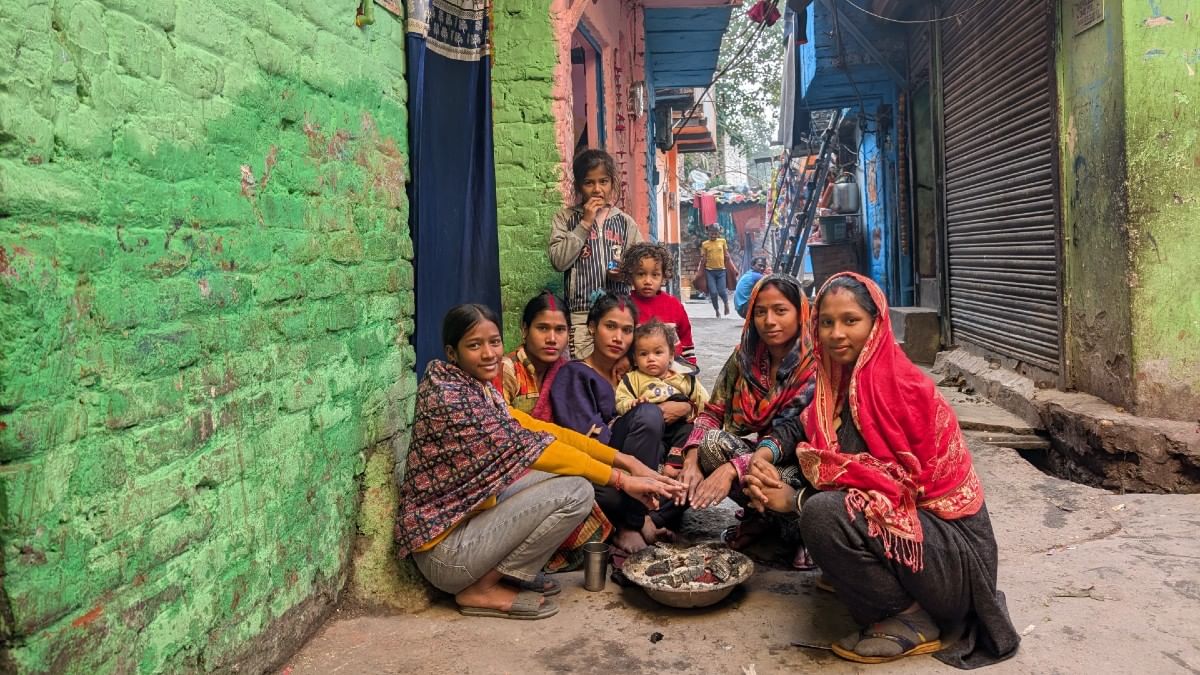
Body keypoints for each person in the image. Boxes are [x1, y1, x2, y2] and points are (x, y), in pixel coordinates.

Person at [744, 273, 1020, 666]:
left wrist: (795, 501)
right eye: (826, 322)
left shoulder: (902, 389)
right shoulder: (837, 383)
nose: (836, 334)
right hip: (926, 548)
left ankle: (912, 618)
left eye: (850, 321)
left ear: (876, 324)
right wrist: (764, 454)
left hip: (956, 563)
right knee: (808, 474)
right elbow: (799, 426)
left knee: (821, 513)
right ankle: (874, 580)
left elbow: (892, 491)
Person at [395, 304, 682, 620]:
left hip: (470, 529)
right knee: (577, 492)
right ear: (453, 352)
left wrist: (626, 461)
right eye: (475, 345)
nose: (489, 354)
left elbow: (543, 431)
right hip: (447, 556)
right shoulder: (455, 400)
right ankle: (481, 589)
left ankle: (506, 574)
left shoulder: (473, 388)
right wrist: (621, 479)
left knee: (570, 482)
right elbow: (540, 449)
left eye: (494, 342)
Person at [679, 274, 817, 568]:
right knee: (711, 444)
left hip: (800, 461)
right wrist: (690, 459)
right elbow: (713, 411)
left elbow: (797, 436)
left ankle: (802, 532)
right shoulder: (744, 358)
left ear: (800, 313)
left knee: (781, 477)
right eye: (760, 312)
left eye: (780, 310)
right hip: (762, 456)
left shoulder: (814, 365)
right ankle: (762, 520)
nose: (769, 321)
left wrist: (733, 468)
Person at [550, 293, 691, 554]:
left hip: (647, 466)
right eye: (610, 326)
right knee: (648, 414)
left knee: (690, 476)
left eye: (627, 330)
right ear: (592, 327)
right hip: (602, 472)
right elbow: (589, 442)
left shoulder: (637, 373)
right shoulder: (575, 375)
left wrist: (684, 407)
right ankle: (632, 524)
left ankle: (649, 519)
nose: (618, 338)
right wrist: (653, 414)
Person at [492, 291, 612, 570]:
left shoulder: (566, 372)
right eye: (542, 328)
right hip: (514, 469)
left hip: (557, 459)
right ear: (524, 330)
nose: (552, 338)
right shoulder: (507, 370)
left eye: (560, 330)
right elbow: (501, 436)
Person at [549, 149, 644, 359]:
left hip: (619, 313)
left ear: (612, 183)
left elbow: (642, 268)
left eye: (603, 181)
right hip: (581, 315)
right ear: (578, 186)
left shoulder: (625, 223)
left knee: (616, 370)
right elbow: (559, 261)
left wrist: (625, 274)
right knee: (583, 370)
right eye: (589, 183)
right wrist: (585, 222)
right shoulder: (565, 219)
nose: (597, 189)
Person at [615, 320, 710, 477]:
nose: (651, 358)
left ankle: (673, 466)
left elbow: (706, 403)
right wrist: (632, 404)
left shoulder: (684, 378)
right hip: (652, 430)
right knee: (656, 448)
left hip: (679, 425)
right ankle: (656, 470)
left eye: (658, 352)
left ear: (671, 355)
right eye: (643, 354)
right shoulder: (633, 378)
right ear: (635, 359)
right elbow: (620, 400)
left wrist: (694, 412)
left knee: (689, 432)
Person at [621, 242, 696, 366]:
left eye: (655, 275)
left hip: (671, 369)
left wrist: (690, 367)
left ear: (663, 277)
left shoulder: (674, 305)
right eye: (641, 274)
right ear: (631, 276)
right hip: (635, 370)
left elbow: (686, 339)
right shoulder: (625, 307)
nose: (647, 281)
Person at [700, 225, 731, 317]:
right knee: (713, 292)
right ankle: (717, 310)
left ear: (718, 234)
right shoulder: (705, 244)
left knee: (722, 291)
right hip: (709, 271)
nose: (713, 235)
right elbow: (704, 257)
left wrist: (728, 260)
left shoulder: (722, 241)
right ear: (708, 233)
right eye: (711, 233)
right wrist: (702, 262)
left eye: (715, 234)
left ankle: (726, 303)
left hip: (721, 271)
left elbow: (726, 254)